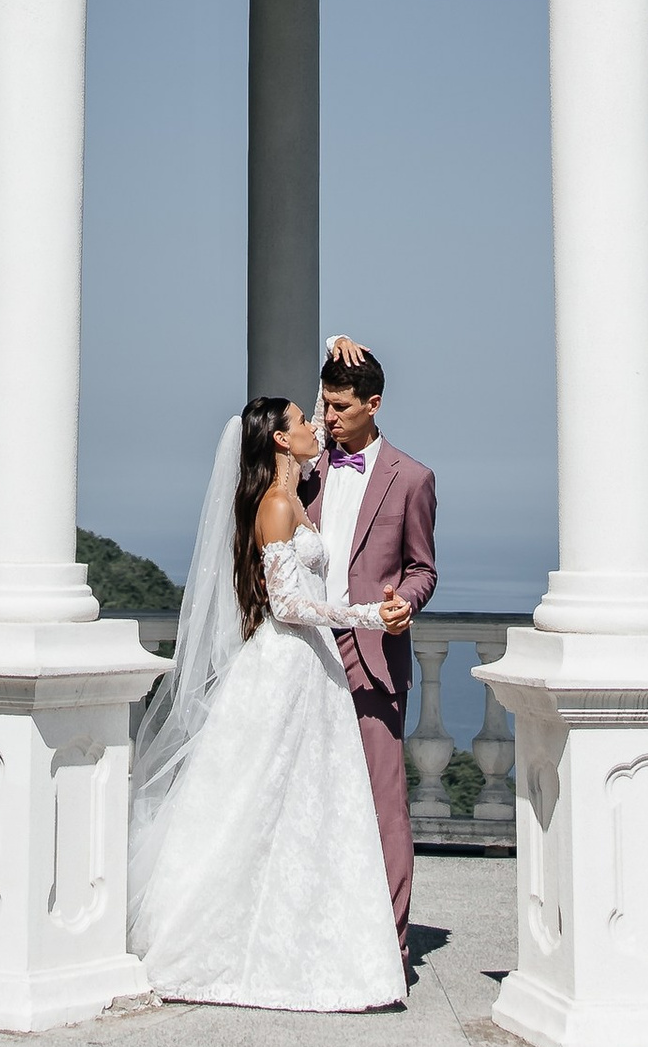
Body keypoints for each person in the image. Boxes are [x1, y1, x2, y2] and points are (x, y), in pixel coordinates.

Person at [126, 397, 410, 1011]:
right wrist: (364, 617)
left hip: (308, 668)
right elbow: (288, 604)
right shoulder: (279, 506)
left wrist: (333, 350)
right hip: (286, 663)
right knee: (259, 801)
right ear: (282, 442)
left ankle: (304, 940)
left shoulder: (289, 492)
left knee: (304, 806)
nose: (318, 426)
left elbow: (299, 433)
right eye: (306, 422)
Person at [301, 337, 439, 946]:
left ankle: (390, 943)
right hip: (305, 650)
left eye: (339, 408)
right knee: (310, 796)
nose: (327, 418)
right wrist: (334, 337)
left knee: (384, 802)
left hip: (373, 655)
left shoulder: (412, 478)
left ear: (373, 404)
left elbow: (423, 567)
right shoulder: (306, 467)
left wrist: (404, 604)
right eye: (324, 405)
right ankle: (318, 932)